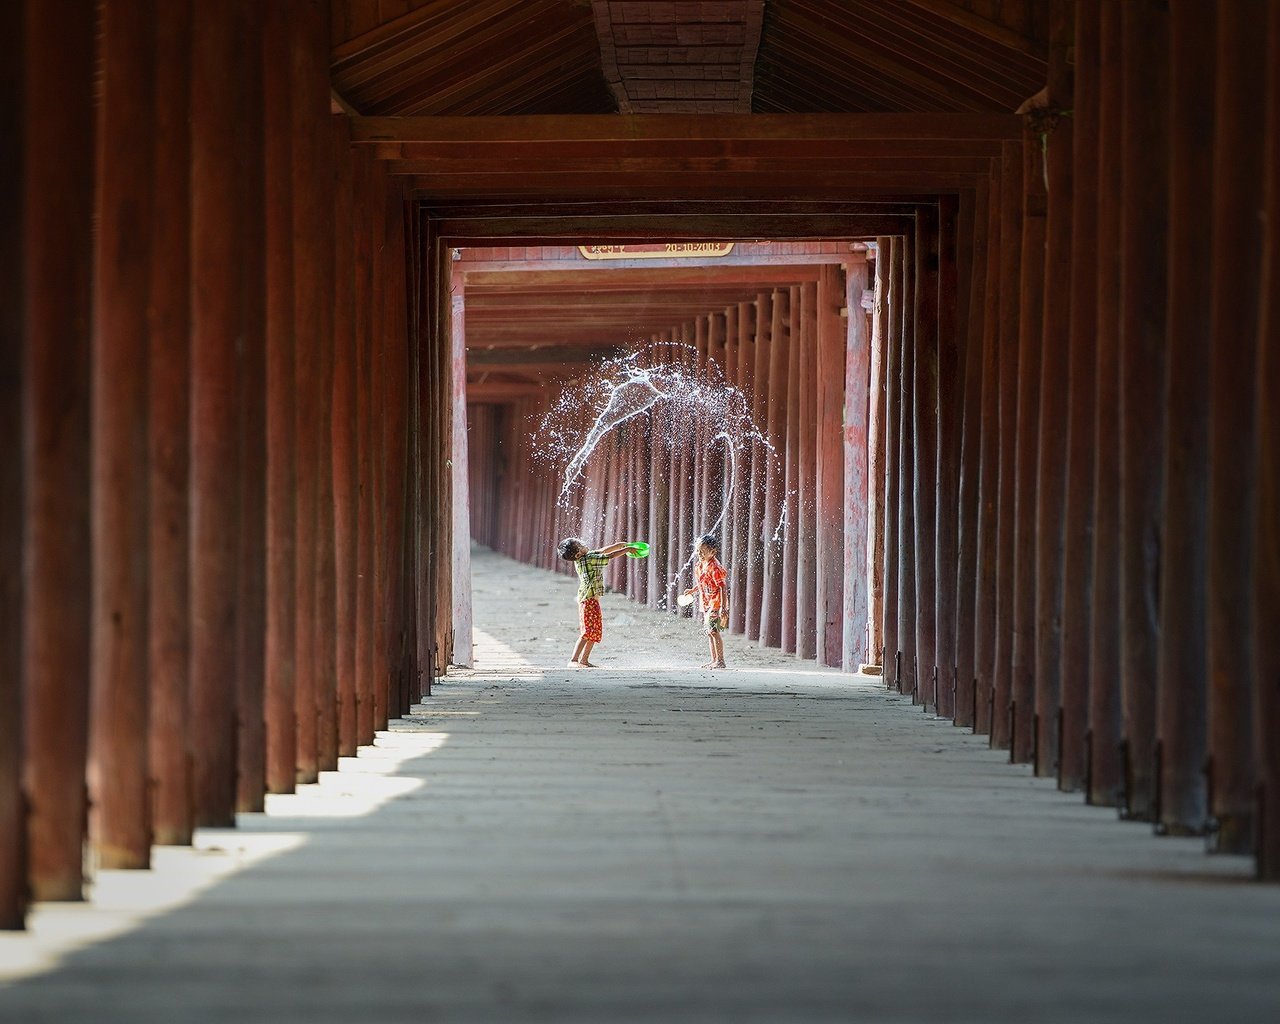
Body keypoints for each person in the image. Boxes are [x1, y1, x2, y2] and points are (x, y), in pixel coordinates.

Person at [557, 536, 640, 668]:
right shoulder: (588, 559)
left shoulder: (584, 557)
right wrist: (627, 549)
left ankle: (584, 660)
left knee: (594, 631)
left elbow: (602, 550)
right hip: (588, 601)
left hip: (591, 600)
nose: (583, 543)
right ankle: (573, 660)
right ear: (578, 553)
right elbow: (610, 556)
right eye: (580, 544)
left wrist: (619, 545)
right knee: (587, 632)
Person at [684, 533, 728, 669]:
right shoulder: (700, 565)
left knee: (714, 631)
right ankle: (714, 659)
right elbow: (704, 582)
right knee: (710, 632)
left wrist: (723, 607)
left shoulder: (714, 568)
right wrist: (693, 590)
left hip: (716, 603)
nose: (699, 554)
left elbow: (722, 587)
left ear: (713, 552)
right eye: (698, 551)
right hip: (707, 603)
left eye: (702, 552)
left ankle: (720, 661)